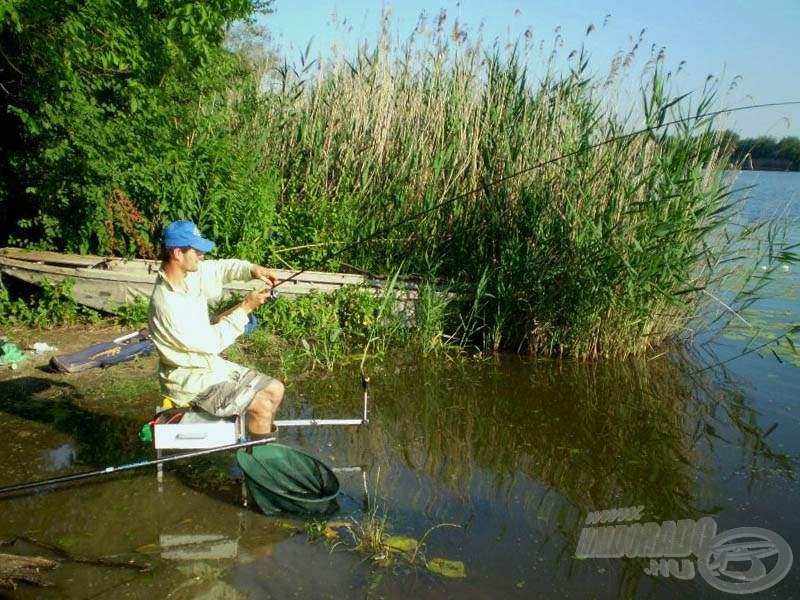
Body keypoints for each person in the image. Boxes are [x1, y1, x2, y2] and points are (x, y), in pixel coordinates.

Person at [148, 220, 284, 436]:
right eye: (197, 250)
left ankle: (254, 441)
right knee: (262, 405)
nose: (202, 255)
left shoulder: (189, 274)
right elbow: (212, 343)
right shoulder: (167, 304)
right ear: (177, 253)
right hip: (189, 381)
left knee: (276, 389)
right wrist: (246, 308)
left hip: (210, 367)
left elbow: (221, 268)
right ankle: (258, 456)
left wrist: (252, 269)